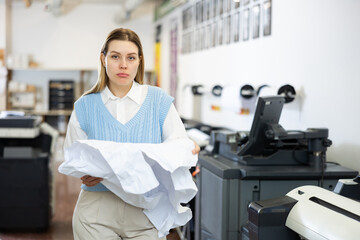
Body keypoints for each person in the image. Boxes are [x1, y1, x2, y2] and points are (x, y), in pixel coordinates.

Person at [63, 28, 200, 240]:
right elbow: (73, 155)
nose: (123, 65)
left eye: (131, 57)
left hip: (147, 212)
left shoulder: (158, 101)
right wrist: (84, 171)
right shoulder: (84, 106)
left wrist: (185, 150)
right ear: (104, 59)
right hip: (96, 213)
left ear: (139, 61)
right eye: (115, 56)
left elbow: (178, 145)